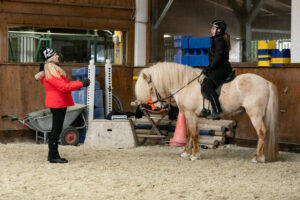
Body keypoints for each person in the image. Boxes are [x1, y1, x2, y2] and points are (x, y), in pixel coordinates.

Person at [35, 47, 90, 163]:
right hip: (58, 103)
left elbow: (65, 85)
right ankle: (53, 156)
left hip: (58, 102)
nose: (58, 56)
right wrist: (82, 83)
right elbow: (65, 87)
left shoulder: (51, 71)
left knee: (56, 128)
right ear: (50, 58)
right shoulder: (52, 73)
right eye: (55, 55)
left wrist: (79, 83)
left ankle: (53, 154)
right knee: (56, 129)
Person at [202, 19, 233, 119]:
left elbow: (218, 58)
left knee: (207, 86)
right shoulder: (217, 39)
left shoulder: (219, 41)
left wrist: (209, 68)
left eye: (213, 28)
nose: (211, 30)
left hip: (222, 69)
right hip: (218, 68)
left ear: (219, 30)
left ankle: (217, 110)